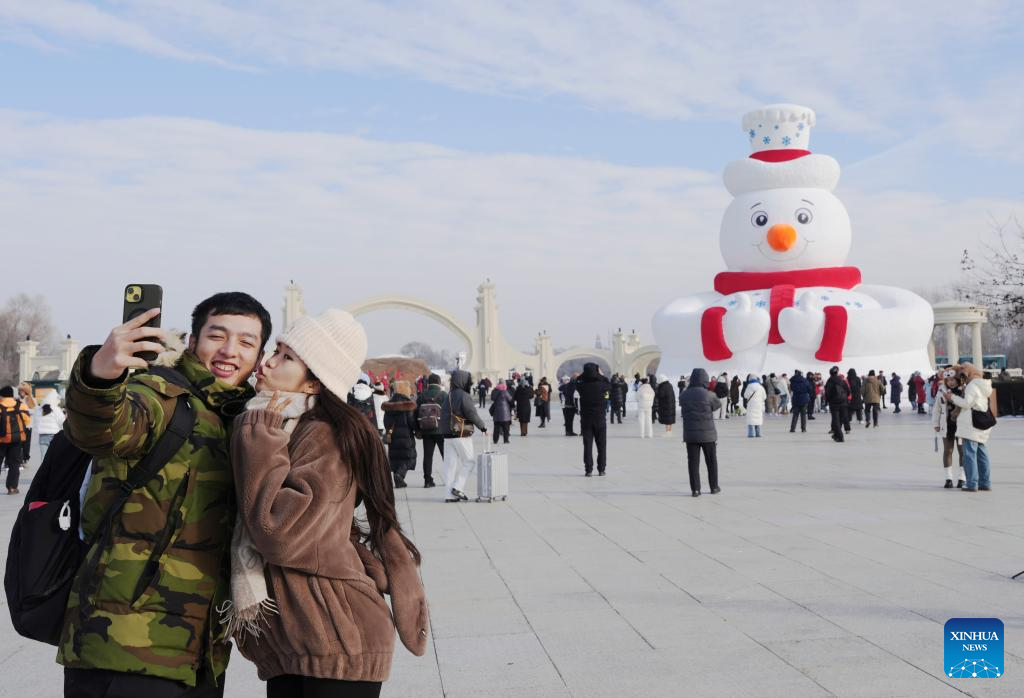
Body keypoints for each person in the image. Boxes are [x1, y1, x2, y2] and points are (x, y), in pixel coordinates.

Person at [60, 292, 271, 697]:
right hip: (123, 646)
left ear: (259, 356)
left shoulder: (243, 419)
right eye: (217, 336)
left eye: (246, 342)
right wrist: (101, 374)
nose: (229, 351)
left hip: (201, 653)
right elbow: (105, 426)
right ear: (192, 342)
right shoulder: (159, 395)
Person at [228, 309, 427, 697]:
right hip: (299, 638)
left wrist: (258, 437)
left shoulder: (322, 436)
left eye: (286, 357)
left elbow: (278, 531)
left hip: (335, 636)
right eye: (275, 350)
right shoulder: (282, 423)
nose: (266, 362)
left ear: (314, 384)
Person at [947, 363, 995, 492]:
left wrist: (952, 397)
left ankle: (972, 483)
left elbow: (966, 403)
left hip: (971, 425)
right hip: (981, 424)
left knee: (969, 454)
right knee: (982, 454)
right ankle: (985, 482)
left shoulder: (972, 385)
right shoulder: (982, 384)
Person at [443, 370, 488, 502]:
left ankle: (448, 495)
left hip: (447, 434)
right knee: (469, 461)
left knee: (450, 466)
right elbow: (471, 414)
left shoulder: (449, 395)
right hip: (461, 434)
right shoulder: (463, 395)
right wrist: (483, 427)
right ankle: (458, 487)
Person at [680, 369, 721, 497]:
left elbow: (682, 404)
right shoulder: (709, 395)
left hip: (691, 434)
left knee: (693, 462)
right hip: (708, 435)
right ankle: (714, 487)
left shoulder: (684, 395)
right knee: (711, 461)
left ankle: (695, 489)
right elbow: (717, 405)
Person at [574, 362, 610, 476]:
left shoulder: (581, 386)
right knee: (602, 446)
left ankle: (588, 470)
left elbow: (576, 381)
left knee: (587, 446)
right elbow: (609, 384)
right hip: (600, 419)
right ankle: (601, 469)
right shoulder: (602, 385)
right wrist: (600, 374)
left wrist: (583, 375)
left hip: (586, 420)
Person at [932, 368, 965, 488]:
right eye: (948, 380)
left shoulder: (963, 391)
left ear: (957, 380)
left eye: (953, 380)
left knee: (963, 451)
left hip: (962, 425)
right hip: (947, 425)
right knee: (948, 451)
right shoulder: (941, 391)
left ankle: (962, 478)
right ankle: (948, 478)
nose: (950, 382)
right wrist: (936, 423)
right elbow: (937, 408)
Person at [383, 380, 418, 489]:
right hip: (406, 436)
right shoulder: (408, 405)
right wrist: (417, 430)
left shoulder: (389, 404)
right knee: (408, 457)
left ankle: (398, 480)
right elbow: (411, 422)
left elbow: (386, 422)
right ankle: (400, 475)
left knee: (395, 457)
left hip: (392, 436)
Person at [415, 374, 446, 488]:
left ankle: (428, 480)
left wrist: (417, 429)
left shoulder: (422, 396)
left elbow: (415, 413)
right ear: (439, 382)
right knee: (446, 455)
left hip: (426, 431)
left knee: (427, 456)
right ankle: (449, 478)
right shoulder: (443, 395)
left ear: (428, 383)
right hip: (441, 430)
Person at [0, 386, 31, 494]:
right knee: (14, 464)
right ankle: (12, 487)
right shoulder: (20, 405)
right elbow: (27, 421)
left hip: (1, 439)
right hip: (16, 440)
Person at [35, 388, 66, 457]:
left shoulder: (40, 409)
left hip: (42, 435)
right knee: (55, 456)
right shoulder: (56, 409)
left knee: (44, 457)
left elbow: (36, 421)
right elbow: (62, 421)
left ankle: (45, 468)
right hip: (54, 435)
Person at [824, 366, 851, 442]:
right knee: (840, 420)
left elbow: (827, 393)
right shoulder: (842, 380)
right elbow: (848, 391)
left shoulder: (829, 381)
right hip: (843, 403)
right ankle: (836, 435)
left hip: (834, 404)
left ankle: (840, 436)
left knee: (836, 420)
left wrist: (829, 401)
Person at [16, 382, 36, 464]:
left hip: (28, 425)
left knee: (26, 443)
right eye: (20, 391)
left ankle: (25, 457)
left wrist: (25, 411)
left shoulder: (31, 399)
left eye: (23, 391)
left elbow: (34, 410)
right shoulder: (17, 399)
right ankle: (19, 458)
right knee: (19, 442)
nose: (21, 392)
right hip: (18, 425)